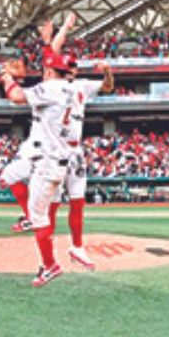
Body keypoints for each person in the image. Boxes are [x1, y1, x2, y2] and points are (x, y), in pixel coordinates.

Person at [0, 51, 91, 287]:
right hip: (49, 157)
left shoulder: (52, 88)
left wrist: (8, 78)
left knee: (40, 218)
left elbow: (17, 96)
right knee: (10, 178)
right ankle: (35, 228)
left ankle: (50, 265)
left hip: (49, 163)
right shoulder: (73, 90)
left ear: (50, 72)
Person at [51, 53, 113, 270]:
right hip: (55, 150)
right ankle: (46, 254)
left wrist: (106, 70)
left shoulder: (82, 86)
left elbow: (107, 87)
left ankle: (77, 247)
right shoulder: (50, 87)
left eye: (73, 67)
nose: (71, 70)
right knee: (53, 203)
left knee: (78, 201)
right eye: (67, 67)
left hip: (75, 150)